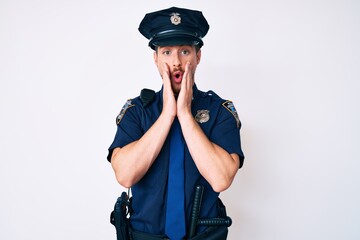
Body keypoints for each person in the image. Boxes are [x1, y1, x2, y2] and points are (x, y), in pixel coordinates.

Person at [107, 6, 244, 240]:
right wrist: (167, 115)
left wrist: (185, 115)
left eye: (185, 51)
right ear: (156, 58)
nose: (177, 62)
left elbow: (221, 179)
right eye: (167, 52)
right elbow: (125, 175)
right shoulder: (137, 111)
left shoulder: (219, 111)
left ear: (198, 56)